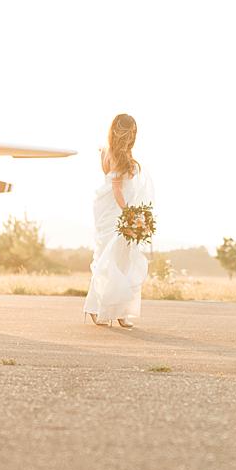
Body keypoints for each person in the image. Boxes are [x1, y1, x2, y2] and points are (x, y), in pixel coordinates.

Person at [83, 113, 153, 328]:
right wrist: (129, 214)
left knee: (123, 260)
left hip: (119, 209)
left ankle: (120, 311)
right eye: (129, 131)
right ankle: (98, 308)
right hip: (115, 212)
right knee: (109, 260)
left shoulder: (117, 153)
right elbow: (116, 190)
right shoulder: (112, 153)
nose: (132, 135)